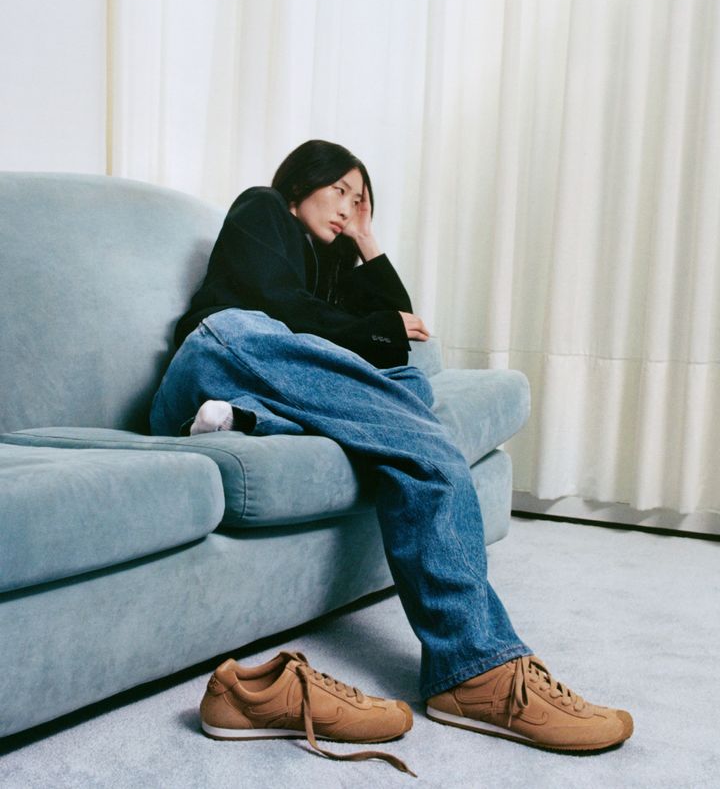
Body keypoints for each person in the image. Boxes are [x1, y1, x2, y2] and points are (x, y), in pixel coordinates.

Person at [150, 140, 633, 773]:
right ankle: (475, 668)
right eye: (340, 191)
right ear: (299, 186)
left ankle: (240, 418)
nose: (348, 208)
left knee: (409, 386)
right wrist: (371, 329)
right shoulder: (262, 208)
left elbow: (399, 332)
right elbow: (278, 308)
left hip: (266, 379)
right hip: (223, 347)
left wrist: (366, 240)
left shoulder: (333, 264)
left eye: (362, 200)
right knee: (420, 440)